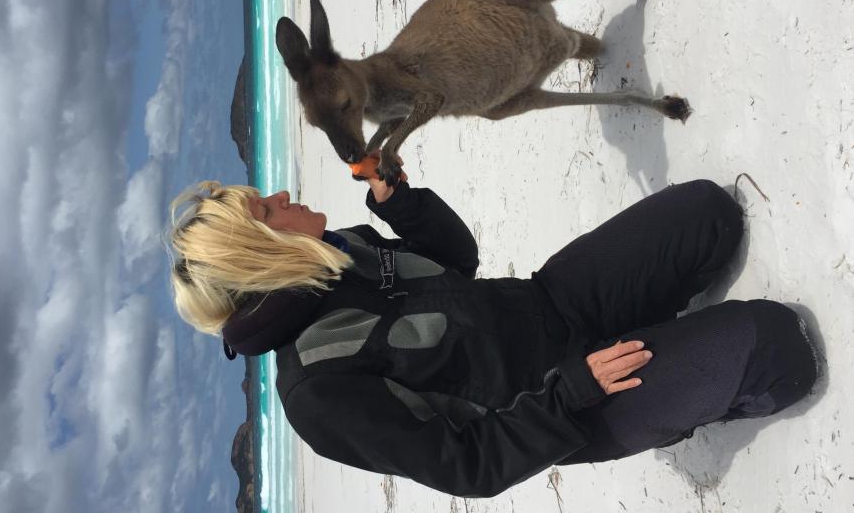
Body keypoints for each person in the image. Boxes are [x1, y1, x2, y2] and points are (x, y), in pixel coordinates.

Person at [167, 172, 818, 498]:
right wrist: (573, 393)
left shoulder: (342, 256)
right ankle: (693, 390)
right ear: (264, 253)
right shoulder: (316, 392)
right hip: (572, 404)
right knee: (779, 346)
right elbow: (468, 466)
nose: (280, 194)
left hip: (552, 301)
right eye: (266, 210)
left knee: (707, 213)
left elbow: (456, 262)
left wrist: (402, 205)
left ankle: (673, 348)